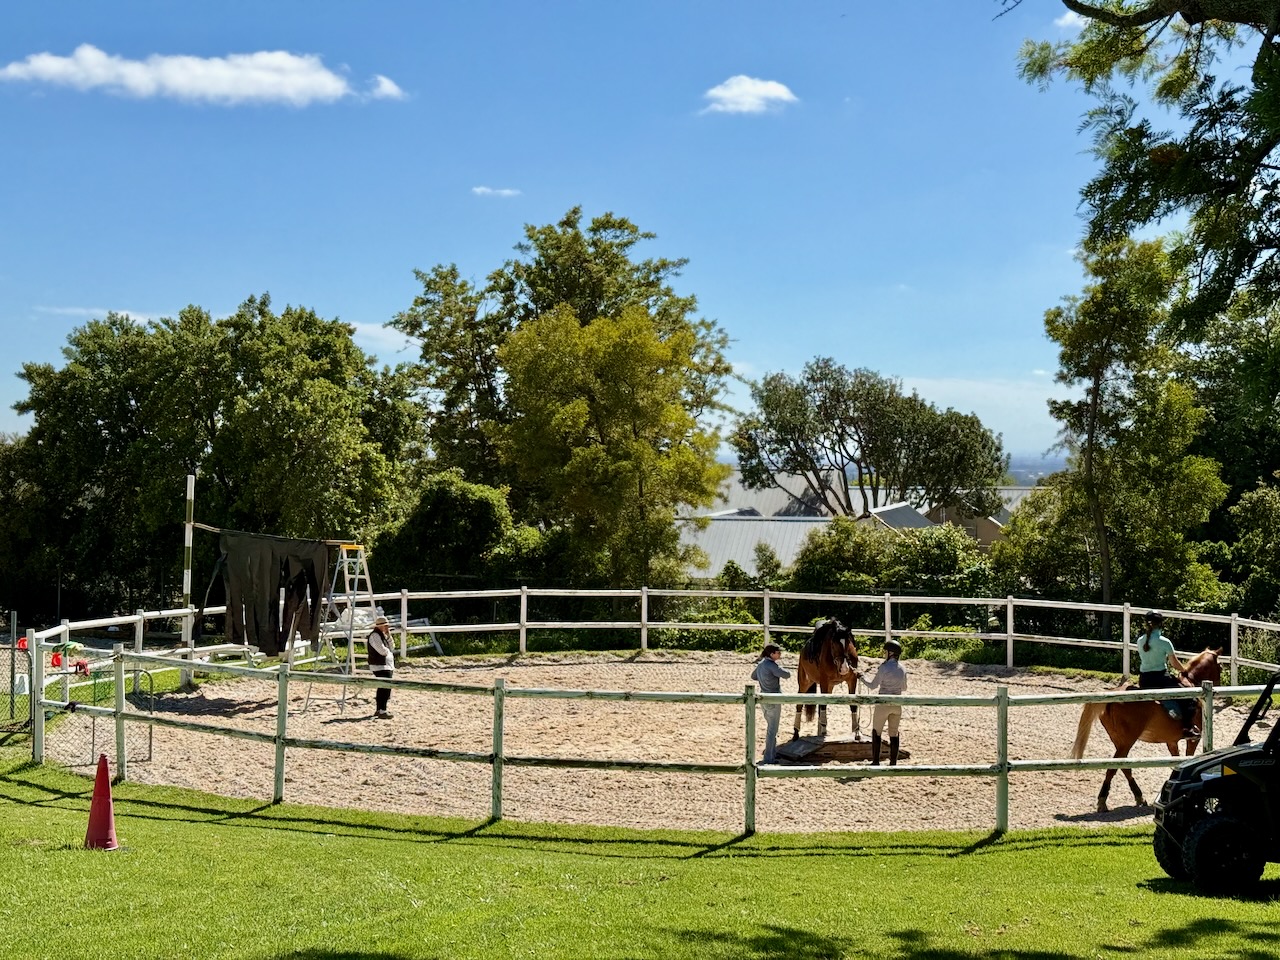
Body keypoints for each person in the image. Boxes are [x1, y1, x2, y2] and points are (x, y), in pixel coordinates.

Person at [1136, 610, 1197, 736]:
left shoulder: (1140, 640)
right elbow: (1174, 663)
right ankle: (1187, 728)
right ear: (1161, 624)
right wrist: (1184, 670)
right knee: (1190, 698)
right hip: (1160, 679)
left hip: (1144, 679)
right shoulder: (1164, 642)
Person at [862, 638, 907, 765]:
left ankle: (876, 761)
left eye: (886, 652)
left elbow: (872, 685)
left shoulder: (884, 667)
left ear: (890, 653)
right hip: (897, 704)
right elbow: (904, 687)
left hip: (883, 704)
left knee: (877, 731)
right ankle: (893, 762)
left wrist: (862, 678)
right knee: (894, 733)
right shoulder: (903, 668)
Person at [750, 643, 791, 764]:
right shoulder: (771, 665)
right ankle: (769, 758)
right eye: (778, 653)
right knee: (772, 730)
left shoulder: (761, 664)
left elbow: (753, 676)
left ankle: (772, 754)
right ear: (771, 654)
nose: (780, 654)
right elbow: (786, 675)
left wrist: (765, 678)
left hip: (764, 698)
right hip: (773, 699)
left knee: (771, 728)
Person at [367, 615, 395, 719]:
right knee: (385, 688)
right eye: (385, 626)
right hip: (380, 665)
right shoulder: (375, 636)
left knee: (383, 687)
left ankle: (380, 709)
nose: (387, 628)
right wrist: (389, 652)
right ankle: (382, 710)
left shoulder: (382, 635)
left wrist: (389, 637)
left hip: (385, 665)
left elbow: (392, 646)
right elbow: (382, 651)